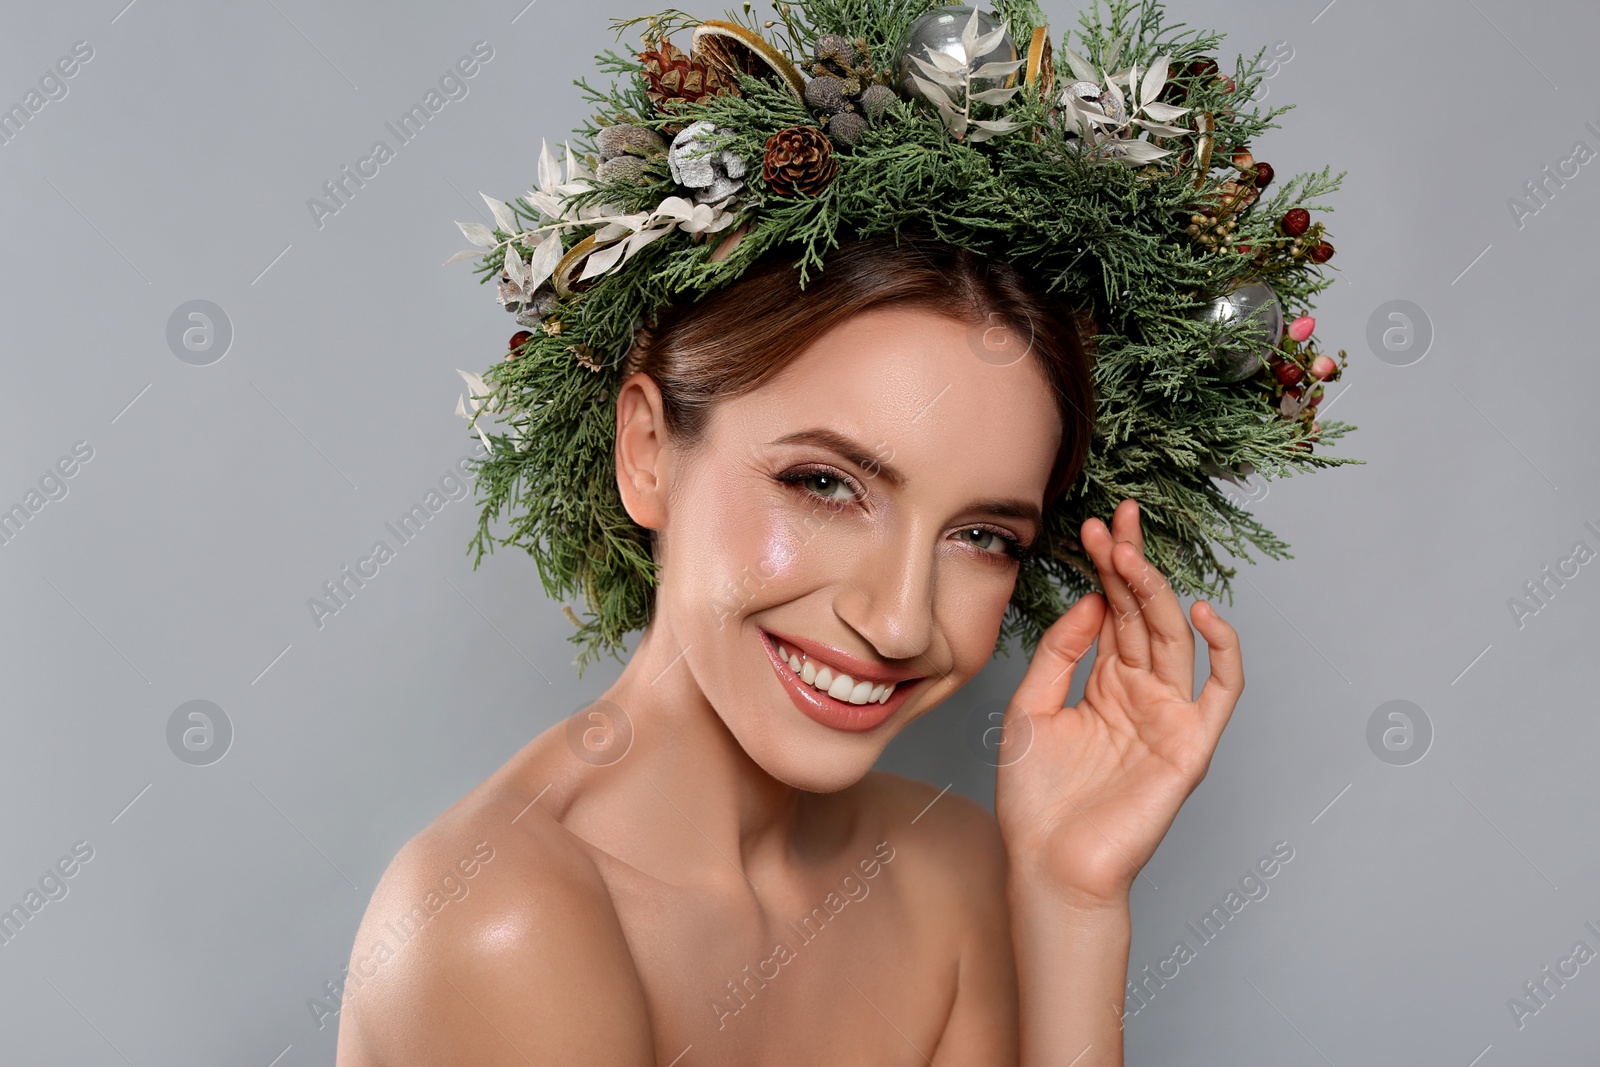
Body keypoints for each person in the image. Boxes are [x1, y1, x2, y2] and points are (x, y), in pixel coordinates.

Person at [334, 232, 1244, 1066]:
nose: (898, 622)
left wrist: (1071, 902)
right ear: (649, 451)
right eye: (824, 484)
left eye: (982, 537)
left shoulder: (956, 874)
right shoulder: (495, 919)